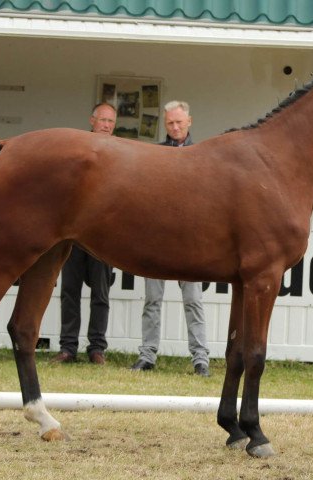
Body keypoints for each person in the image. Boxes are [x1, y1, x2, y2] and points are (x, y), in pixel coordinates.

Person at [131, 100, 211, 377]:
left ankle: (201, 359)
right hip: (157, 240)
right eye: (170, 123)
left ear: (189, 121)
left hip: (190, 242)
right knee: (151, 301)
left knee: (194, 301)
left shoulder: (204, 155)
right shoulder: (154, 155)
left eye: (179, 122)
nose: (175, 127)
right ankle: (147, 355)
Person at [51, 103, 117, 365]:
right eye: (102, 120)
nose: (106, 125)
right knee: (70, 291)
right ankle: (68, 348)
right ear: (92, 120)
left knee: (101, 294)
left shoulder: (119, 153)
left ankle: (97, 348)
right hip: (74, 234)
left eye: (111, 121)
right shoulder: (79, 149)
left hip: (104, 236)